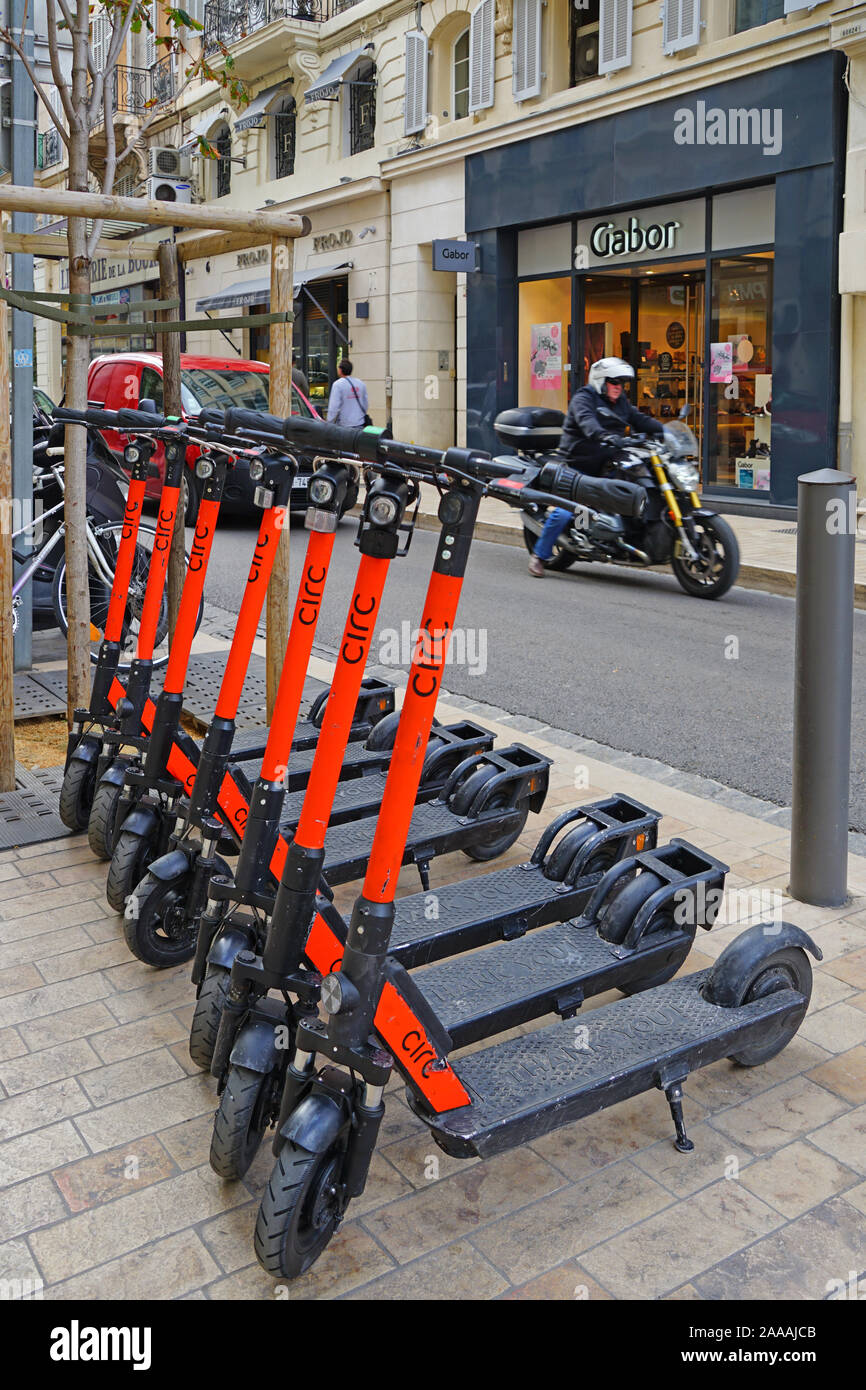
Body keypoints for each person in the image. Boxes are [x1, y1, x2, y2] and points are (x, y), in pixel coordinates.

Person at [528, 357, 663, 577]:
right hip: (575, 466)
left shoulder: (620, 402)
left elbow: (639, 419)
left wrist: (665, 431)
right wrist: (605, 435)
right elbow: (587, 421)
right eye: (614, 382)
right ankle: (539, 556)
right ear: (601, 381)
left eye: (622, 383)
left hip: (606, 465)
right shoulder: (584, 398)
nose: (619, 387)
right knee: (565, 511)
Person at [326, 359, 370, 428]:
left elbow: (333, 407)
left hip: (344, 426)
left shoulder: (337, 385)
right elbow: (366, 404)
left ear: (340, 370)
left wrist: (329, 422)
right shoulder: (361, 383)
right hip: (360, 424)